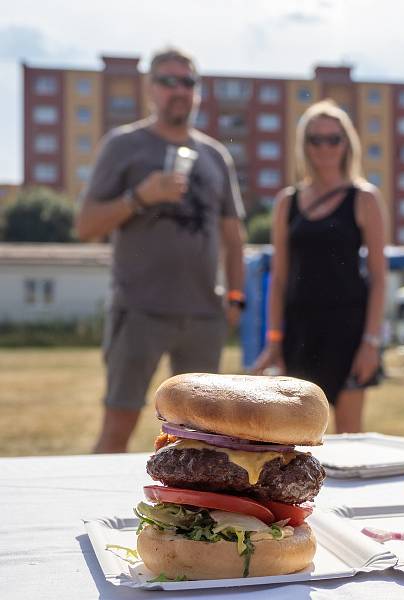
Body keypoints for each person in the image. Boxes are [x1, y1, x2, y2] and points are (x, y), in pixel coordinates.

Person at [74, 48, 246, 453]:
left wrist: (236, 298)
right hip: (139, 310)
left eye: (187, 82)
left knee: (203, 437)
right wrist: (140, 197)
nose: (178, 91)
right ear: (150, 89)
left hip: (204, 314)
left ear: (198, 92)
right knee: (119, 423)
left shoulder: (215, 156)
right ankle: (91, 512)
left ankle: (188, 514)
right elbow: (86, 226)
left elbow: (233, 237)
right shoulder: (123, 145)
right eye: (168, 81)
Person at [251, 100, 387, 433]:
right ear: (303, 145)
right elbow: (279, 278)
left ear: (347, 143)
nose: (324, 147)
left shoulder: (364, 198)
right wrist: (273, 340)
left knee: (350, 437)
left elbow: (380, 278)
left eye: (333, 139)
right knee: (297, 433)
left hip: (349, 332)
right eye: (315, 139)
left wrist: (370, 342)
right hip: (299, 332)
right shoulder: (288, 201)